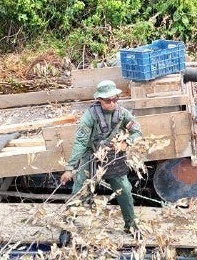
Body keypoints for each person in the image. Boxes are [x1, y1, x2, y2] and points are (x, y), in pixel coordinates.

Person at [60, 80, 142, 233]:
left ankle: (130, 224)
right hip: (91, 156)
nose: (112, 103)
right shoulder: (89, 116)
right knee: (80, 189)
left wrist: (127, 143)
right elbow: (80, 143)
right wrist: (70, 168)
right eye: (108, 100)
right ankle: (67, 226)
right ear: (99, 100)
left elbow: (138, 132)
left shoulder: (123, 114)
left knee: (124, 189)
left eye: (115, 99)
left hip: (113, 156)